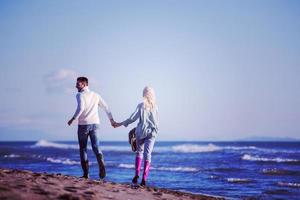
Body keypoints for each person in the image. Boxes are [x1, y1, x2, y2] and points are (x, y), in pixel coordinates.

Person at [67, 77, 115, 179]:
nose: (76, 86)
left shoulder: (80, 95)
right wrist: (111, 120)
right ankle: (101, 163)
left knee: (83, 149)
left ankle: (86, 174)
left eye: (78, 84)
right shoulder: (96, 95)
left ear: (84, 84)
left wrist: (73, 119)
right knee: (96, 147)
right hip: (95, 124)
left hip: (83, 125)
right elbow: (106, 107)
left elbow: (81, 108)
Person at [114, 86, 159, 186]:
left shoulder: (140, 105)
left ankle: (136, 174)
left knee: (139, 152)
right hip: (151, 133)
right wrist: (155, 132)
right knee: (148, 155)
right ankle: (144, 179)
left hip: (140, 132)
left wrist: (120, 124)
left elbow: (132, 119)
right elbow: (156, 123)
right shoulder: (155, 106)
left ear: (144, 94)